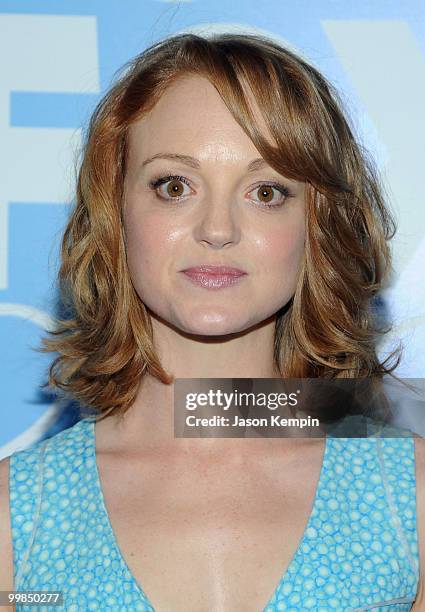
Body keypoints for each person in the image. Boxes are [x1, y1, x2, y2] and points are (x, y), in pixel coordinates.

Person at [0, 32, 424, 611]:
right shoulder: (15, 515)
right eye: (175, 186)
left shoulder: (413, 500)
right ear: (115, 211)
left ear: (317, 226)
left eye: (267, 191)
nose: (218, 229)